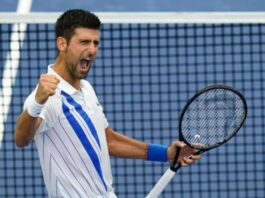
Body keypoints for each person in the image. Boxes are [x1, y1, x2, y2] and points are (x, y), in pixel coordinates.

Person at [14, 9, 201, 198]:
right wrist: (37, 103)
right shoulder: (47, 98)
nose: (93, 50)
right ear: (62, 43)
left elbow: (108, 140)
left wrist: (166, 154)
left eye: (96, 43)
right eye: (84, 42)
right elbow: (21, 139)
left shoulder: (86, 89)